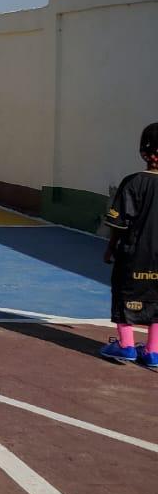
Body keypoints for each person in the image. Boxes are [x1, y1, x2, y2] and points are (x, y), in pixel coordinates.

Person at [101, 122, 158, 366]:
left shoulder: (133, 183)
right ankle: (153, 351)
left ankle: (125, 346)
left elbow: (120, 223)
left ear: (143, 153)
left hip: (133, 253)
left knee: (124, 294)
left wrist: (111, 247)